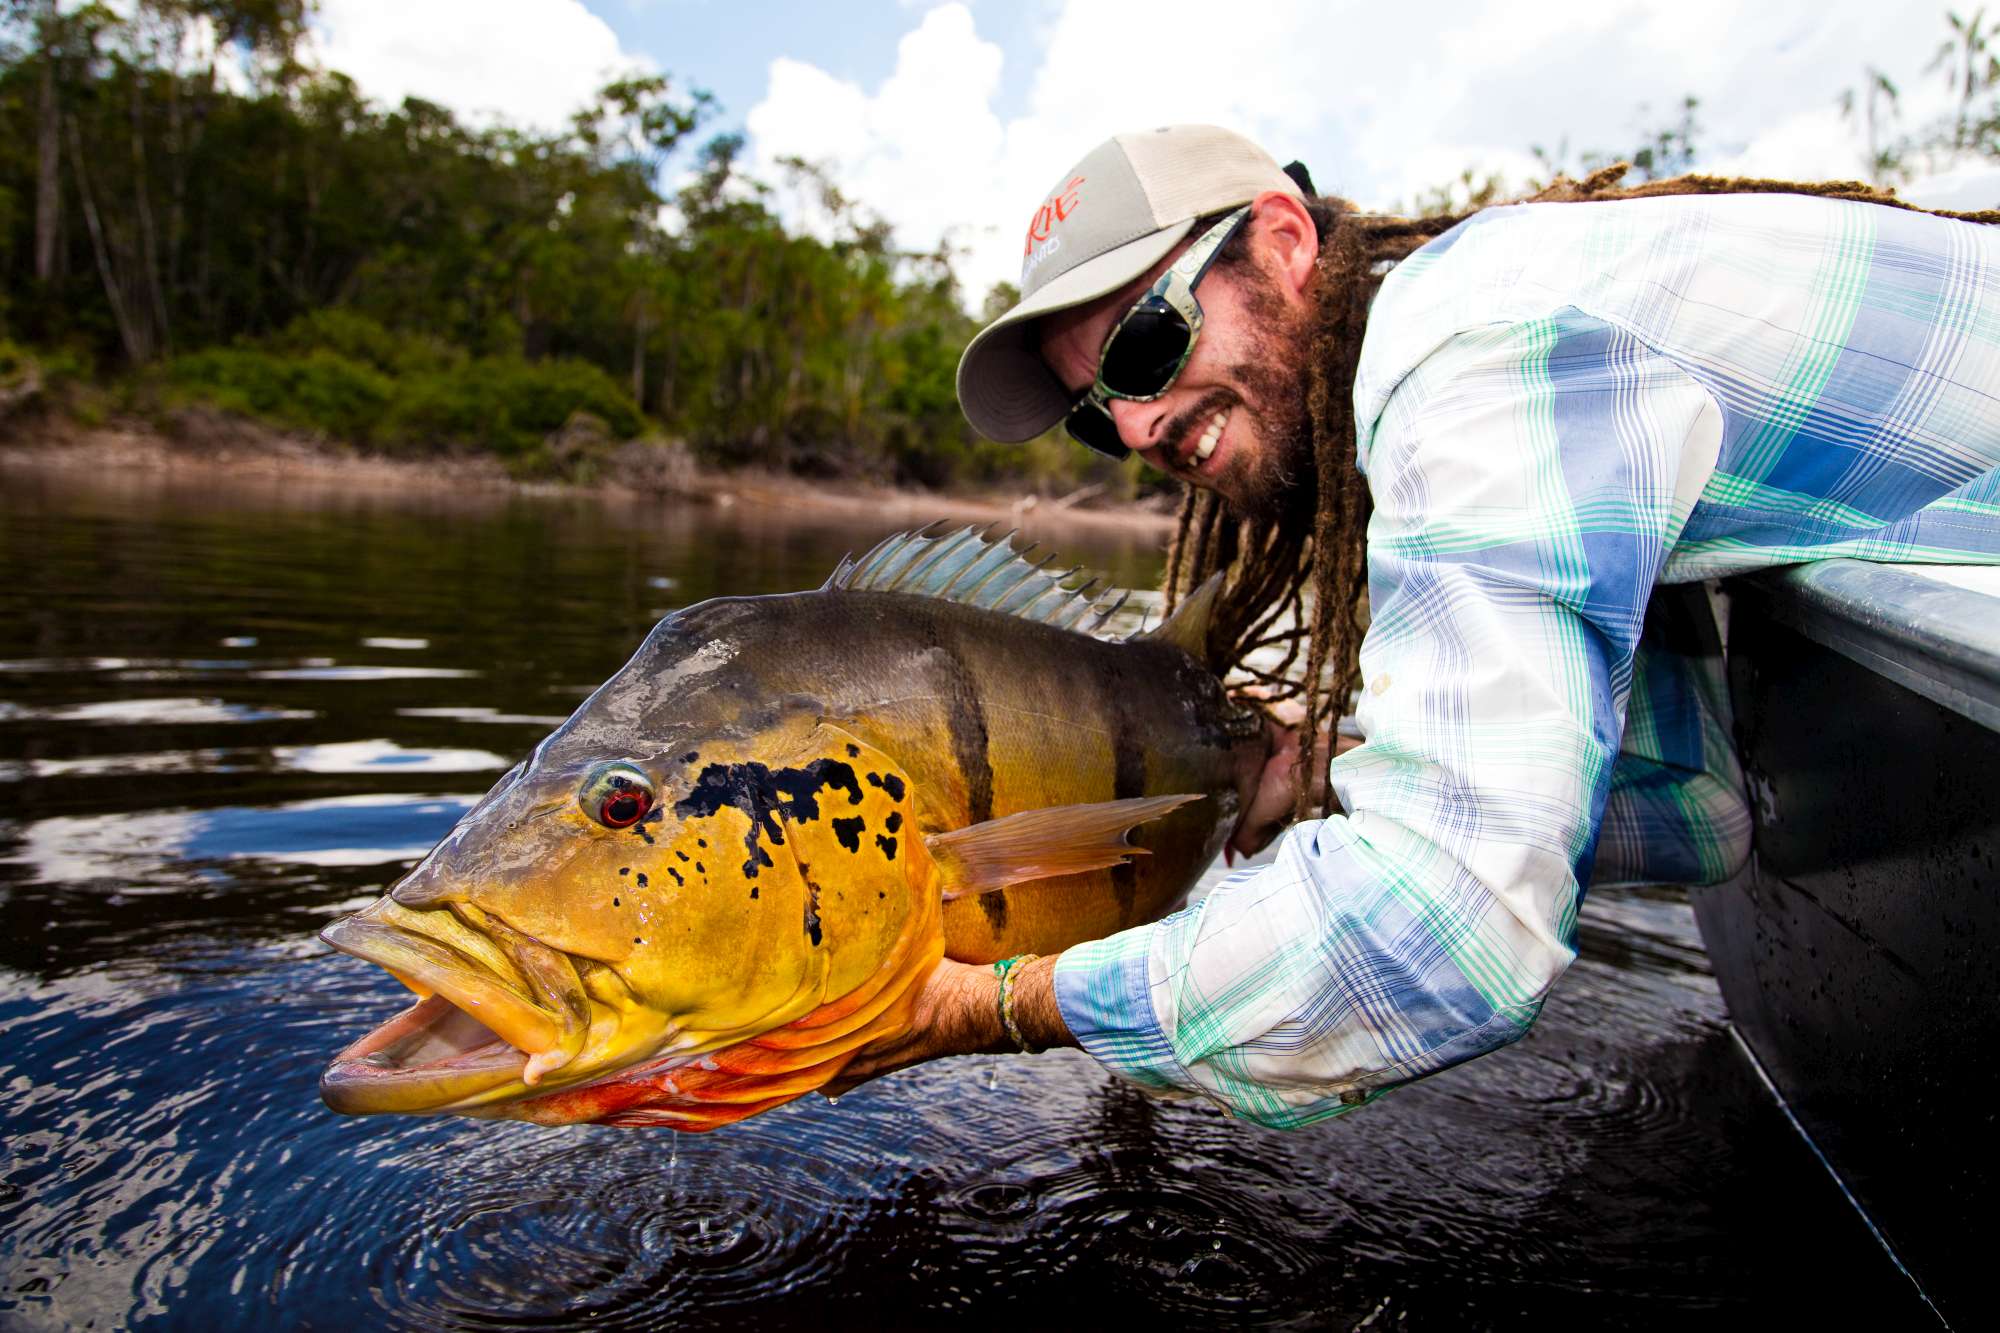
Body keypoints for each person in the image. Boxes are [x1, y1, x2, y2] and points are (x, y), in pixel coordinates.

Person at [836, 124, 2000, 1127]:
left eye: (1145, 346)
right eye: (1099, 421)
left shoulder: (1477, 362)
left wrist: (999, 1002)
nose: (1138, 429)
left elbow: (1448, 941)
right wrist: (1337, 778)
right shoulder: (1512, 360)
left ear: (1284, 241)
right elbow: (1702, 806)